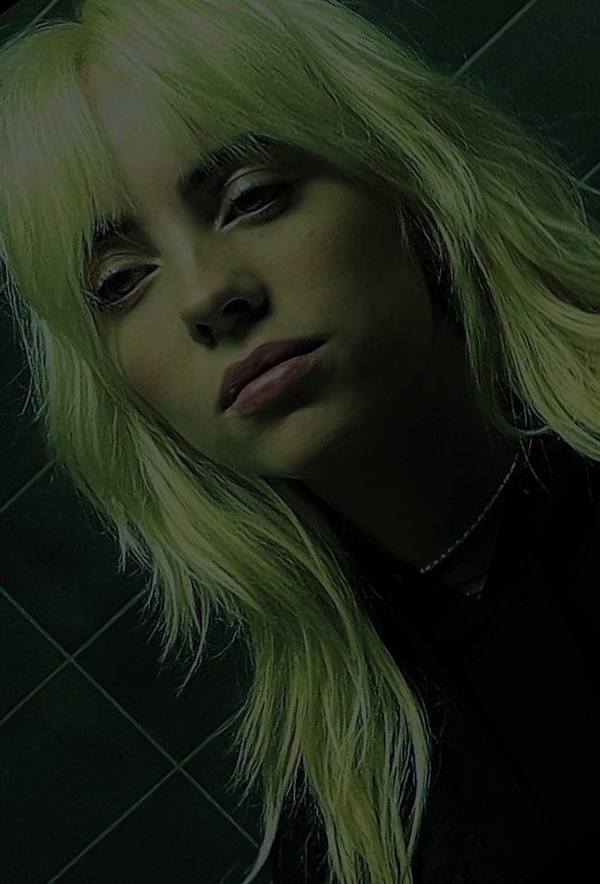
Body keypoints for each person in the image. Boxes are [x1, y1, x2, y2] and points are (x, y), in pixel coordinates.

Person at [1, 1, 600, 882]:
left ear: (404, 177)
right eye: (122, 282)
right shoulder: (352, 836)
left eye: (253, 198)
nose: (207, 295)